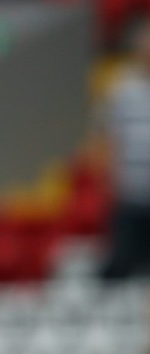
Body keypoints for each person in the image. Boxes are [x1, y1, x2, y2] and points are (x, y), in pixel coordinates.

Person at [99, 20, 150, 280]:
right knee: (123, 267)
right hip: (131, 195)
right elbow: (112, 137)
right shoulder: (123, 88)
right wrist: (114, 181)